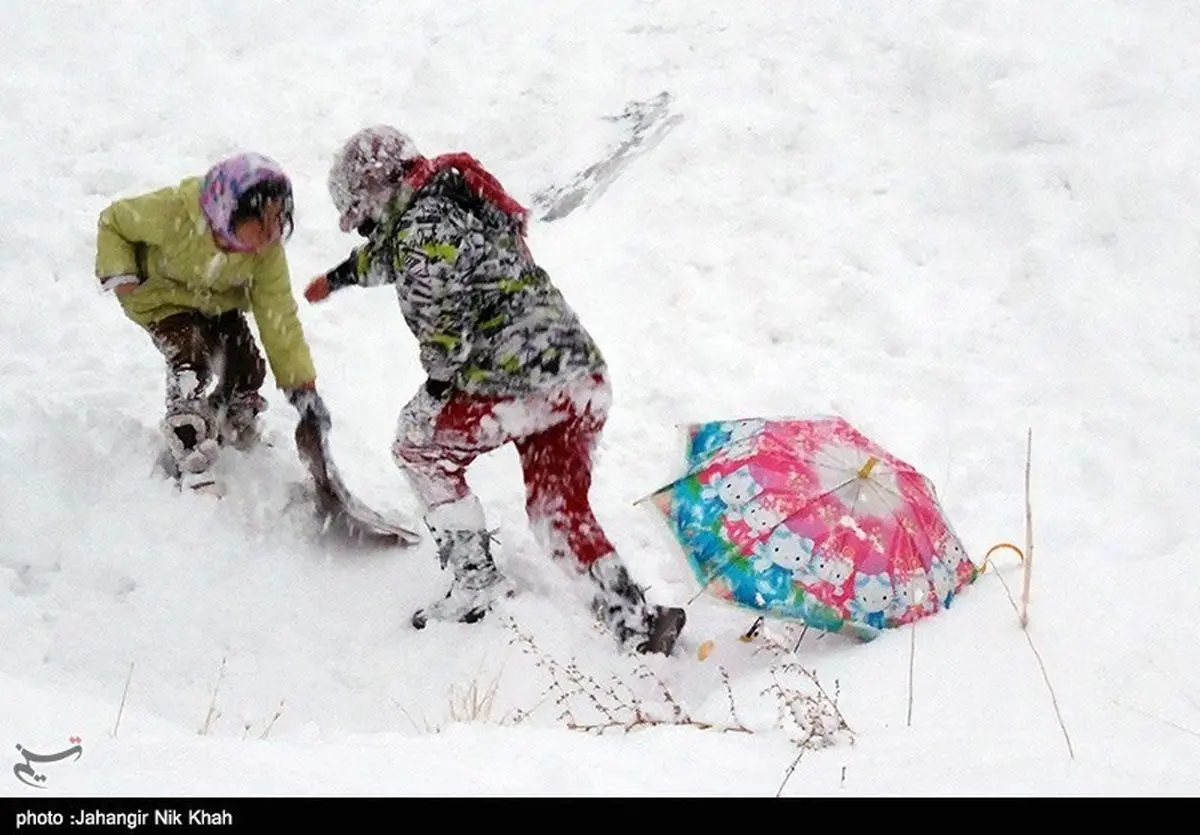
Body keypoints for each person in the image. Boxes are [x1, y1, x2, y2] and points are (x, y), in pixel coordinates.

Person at [303, 125, 686, 655]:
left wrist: (440, 385)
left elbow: (443, 322)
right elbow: (392, 254)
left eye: (361, 218)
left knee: (417, 446)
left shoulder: (422, 228)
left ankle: (476, 581)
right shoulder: (458, 197)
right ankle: (638, 624)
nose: (364, 230)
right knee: (555, 509)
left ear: (376, 189)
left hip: (515, 385)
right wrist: (339, 277)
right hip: (577, 378)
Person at [95, 152, 331, 485]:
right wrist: (120, 272)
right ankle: (188, 436)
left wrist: (300, 384)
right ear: (226, 211)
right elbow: (114, 221)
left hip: (217, 304)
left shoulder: (267, 252)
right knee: (191, 355)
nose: (270, 232)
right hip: (163, 299)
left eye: (279, 219)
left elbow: (278, 313)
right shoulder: (173, 212)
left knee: (246, 367)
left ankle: (229, 419)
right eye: (260, 222)